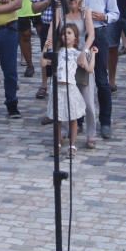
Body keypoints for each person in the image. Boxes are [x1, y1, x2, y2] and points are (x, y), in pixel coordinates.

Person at [67, 0, 121, 138]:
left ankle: (105, 121)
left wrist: (104, 17)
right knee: (76, 78)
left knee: (101, 79)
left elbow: (115, 12)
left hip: (98, 33)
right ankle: (78, 120)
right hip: (76, 33)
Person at [44, 23, 93, 158]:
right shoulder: (57, 52)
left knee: (72, 118)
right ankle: (58, 143)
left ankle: (72, 145)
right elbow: (43, 63)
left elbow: (89, 69)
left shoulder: (78, 53)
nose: (66, 35)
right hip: (57, 88)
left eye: (69, 33)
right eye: (64, 33)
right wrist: (45, 47)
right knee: (57, 119)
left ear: (76, 38)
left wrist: (92, 54)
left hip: (70, 88)